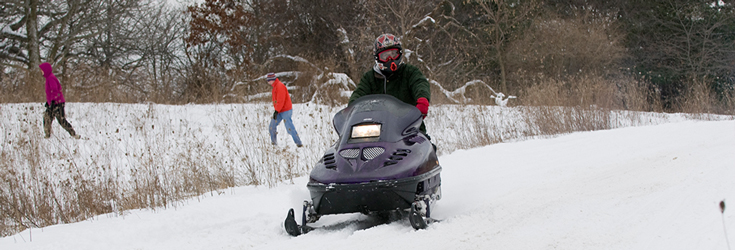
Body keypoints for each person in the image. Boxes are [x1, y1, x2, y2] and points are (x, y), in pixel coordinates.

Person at [349, 33, 431, 137]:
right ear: (378, 58)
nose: (390, 59)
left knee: (425, 148)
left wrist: (422, 99)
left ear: (399, 53)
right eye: (385, 56)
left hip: (410, 127)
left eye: (393, 54)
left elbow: (420, 83)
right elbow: (359, 93)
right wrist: (352, 108)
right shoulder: (370, 78)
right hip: (377, 130)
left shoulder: (409, 72)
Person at [40, 62, 80, 139]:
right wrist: (48, 103)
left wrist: (52, 102)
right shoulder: (48, 78)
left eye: (42, 70)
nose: (41, 72)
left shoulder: (51, 78)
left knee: (61, 120)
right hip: (53, 103)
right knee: (47, 117)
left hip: (57, 103)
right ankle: (47, 135)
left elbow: (54, 90)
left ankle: (73, 134)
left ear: (46, 70)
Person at [267, 72, 303, 147]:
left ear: (272, 79)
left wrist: (276, 111)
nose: (268, 82)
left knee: (289, 127)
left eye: (269, 80)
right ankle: (274, 144)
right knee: (272, 126)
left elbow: (280, 100)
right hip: (279, 110)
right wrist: (277, 110)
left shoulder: (279, 86)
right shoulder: (275, 87)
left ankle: (299, 143)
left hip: (286, 110)